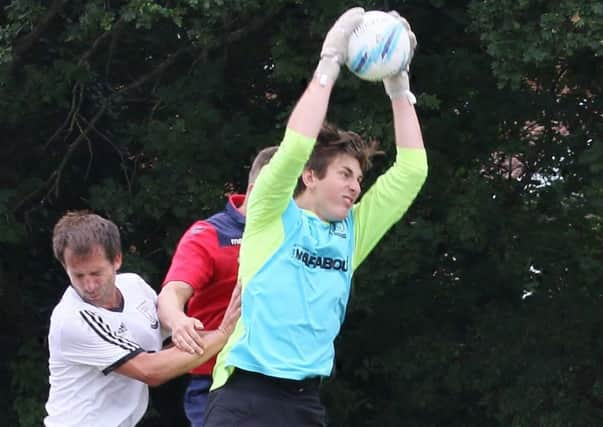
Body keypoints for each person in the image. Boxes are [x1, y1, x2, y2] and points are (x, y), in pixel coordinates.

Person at [204, 7, 428, 427]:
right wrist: (329, 63)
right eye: (345, 174)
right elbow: (293, 147)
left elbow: (413, 171)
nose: (354, 187)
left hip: (303, 403)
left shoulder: (352, 232)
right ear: (310, 175)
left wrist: (400, 89)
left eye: (359, 178)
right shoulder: (272, 213)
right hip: (244, 395)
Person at [44, 211, 240, 427]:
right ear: (65, 267)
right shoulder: (73, 319)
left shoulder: (134, 285)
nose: (89, 285)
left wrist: (181, 323)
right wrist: (223, 334)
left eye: (96, 273)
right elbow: (150, 370)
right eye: (78, 276)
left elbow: (172, 338)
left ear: (117, 259)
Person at [156, 146, 277, 426]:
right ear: (259, 185)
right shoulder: (210, 234)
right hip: (216, 382)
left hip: (278, 383)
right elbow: (172, 292)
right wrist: (178, 321)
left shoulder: (294, 233)